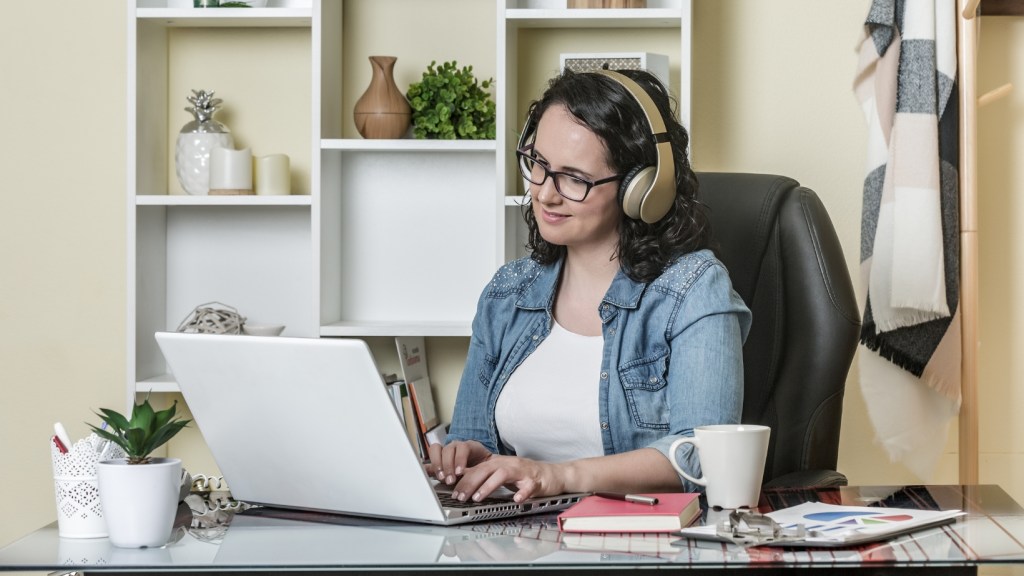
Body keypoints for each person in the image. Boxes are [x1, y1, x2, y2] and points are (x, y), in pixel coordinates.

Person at [426, 68, 751, 504]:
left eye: (574, 178)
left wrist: (557, 476)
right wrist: (470, 457)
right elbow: (473, 436)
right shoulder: (507, 293)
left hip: (641, 548)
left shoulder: (692, 290)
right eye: (537, 164)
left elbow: (701, 455)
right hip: (514, 545)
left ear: (642, 188)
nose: (544, 194)